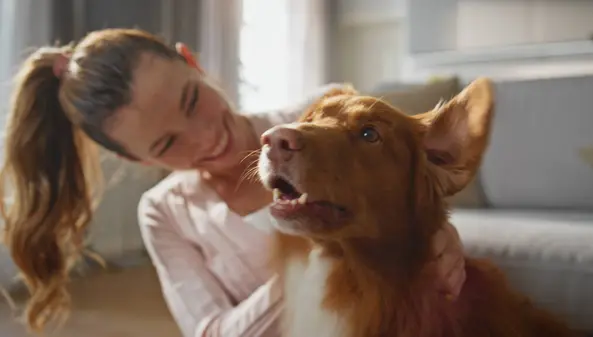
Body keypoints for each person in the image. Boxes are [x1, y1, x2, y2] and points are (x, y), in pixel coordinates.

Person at [0, 28, 466, 336]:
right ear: (132, 157)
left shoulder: (327, 114)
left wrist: (434, 231)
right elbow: (210, 331)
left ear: (193, 62)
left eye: (191, 100)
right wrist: (317, 258)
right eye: (166, 145)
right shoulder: (165, 212)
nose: (206, 137)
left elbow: (409, 186)